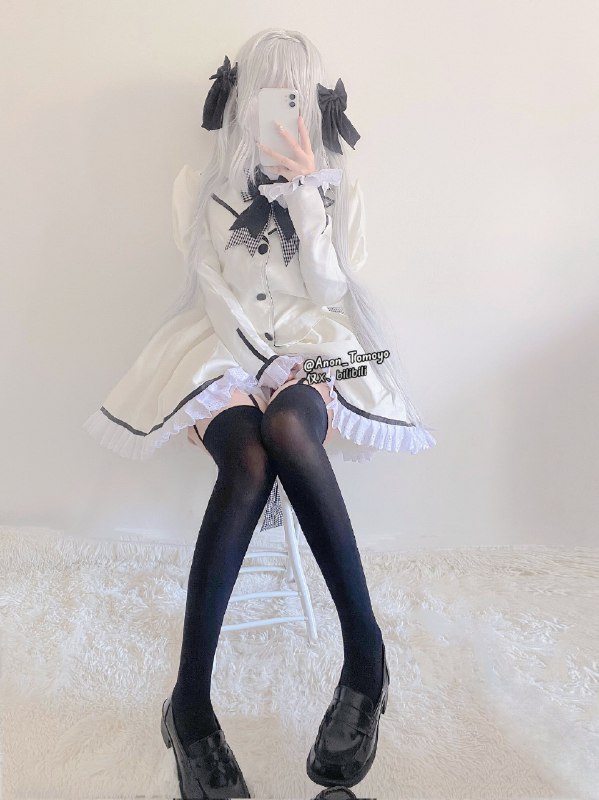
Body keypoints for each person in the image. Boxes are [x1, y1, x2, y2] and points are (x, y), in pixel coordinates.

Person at [84, 27, 436, 798]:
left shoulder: (339, 191)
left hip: (318, 345)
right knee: (246, 459)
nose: (282, 109)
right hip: (221, 348)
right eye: (268, 94)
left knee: (283, 427)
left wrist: (306, 194)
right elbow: (212, 289)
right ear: (243, 100)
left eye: (295, 95)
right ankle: (191, 708)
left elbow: (331, 290)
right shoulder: (198, 186)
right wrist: (255, 363)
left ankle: (363, 658)